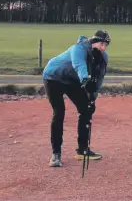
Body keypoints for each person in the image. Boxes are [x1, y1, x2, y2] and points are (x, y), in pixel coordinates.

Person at [42, 30, 111, 167]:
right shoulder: (78, 48)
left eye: (106, 45)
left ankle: (82, 149)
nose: (103, 48)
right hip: (53, 77)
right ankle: (56, 154)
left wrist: (93, 95)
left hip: (72, 81)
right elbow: (79, 65)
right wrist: (85, 80)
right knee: (59, 112)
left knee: (87, 109)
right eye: (101, 44)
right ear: (93, 42)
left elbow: (100, 77)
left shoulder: (103, 57)